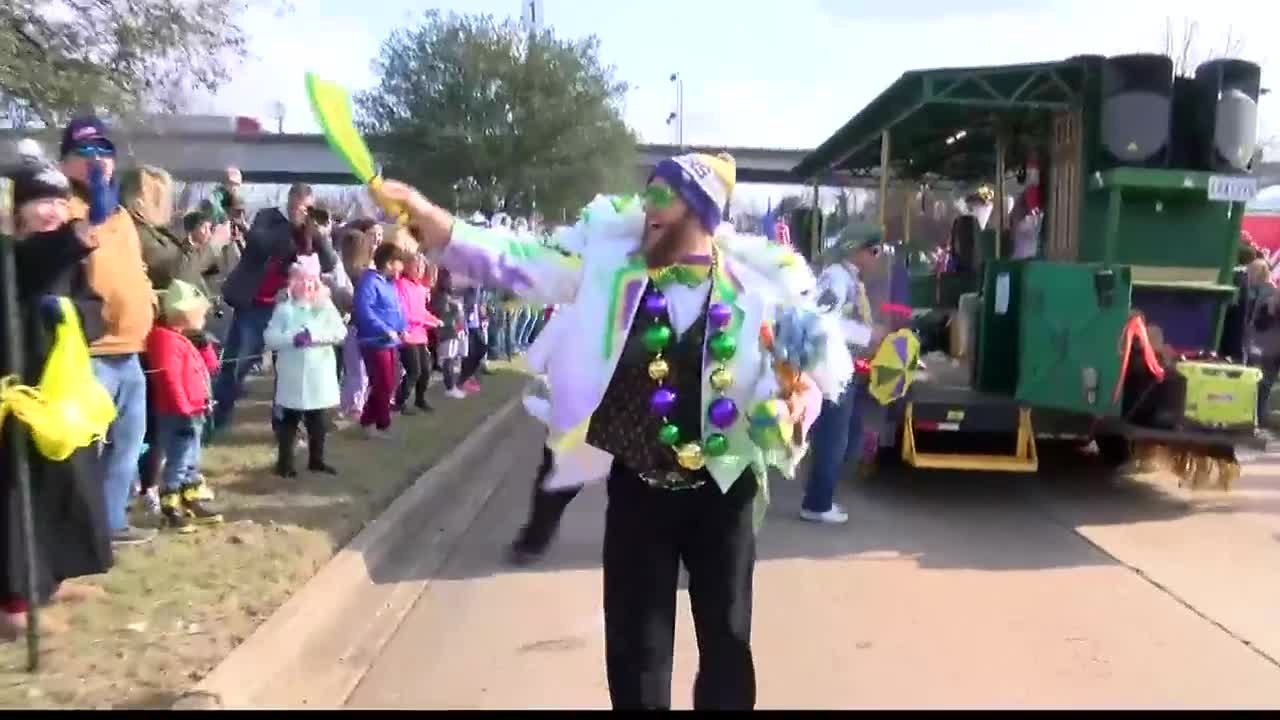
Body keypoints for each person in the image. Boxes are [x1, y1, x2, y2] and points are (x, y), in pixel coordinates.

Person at [373, 151, 852, 710]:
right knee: (635, 654)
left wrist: (799, 407)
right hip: (638, 489)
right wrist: (433, 220)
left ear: (700, 209)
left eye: (663, 196)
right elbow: (519, 261)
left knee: (726, 645)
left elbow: (809, 378)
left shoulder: (759, 293)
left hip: (725, 494)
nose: (647, 206)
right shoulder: (608, 272)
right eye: (647, 193)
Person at [1, 160, 113, 639]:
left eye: (60, 201)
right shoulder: (11, 253)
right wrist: (78, 231)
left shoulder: (66, 258)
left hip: (60, 392)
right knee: (16, 493)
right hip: (15, 393)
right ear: (18, 210)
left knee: (65, 485)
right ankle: (12, 602)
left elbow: (93, 308)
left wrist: (73, 314)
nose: (53, 211)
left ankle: (50, 579)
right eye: (42, 201)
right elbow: (37, 260)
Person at [59, 115, 157, 546]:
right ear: (65, 163)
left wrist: (149, 297)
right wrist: (91, 215)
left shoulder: (123, 215)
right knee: (85, 448)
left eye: (103, 152)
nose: (96, 161)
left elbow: (134, 268)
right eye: (84, 153)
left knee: (128, 444)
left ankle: (111, 523)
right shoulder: (65, 210)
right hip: (91, 353)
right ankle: (77, 530)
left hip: (131, 353)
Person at [213, 183, 338, 431]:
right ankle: (215, 420)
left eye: (308, 208)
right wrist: (294, 226)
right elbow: (260, 242)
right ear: (290, 202)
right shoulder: (268, 217)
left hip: (288, 309)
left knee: (289, 370)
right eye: (300, 207)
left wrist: (321, 236)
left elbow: (329, 263)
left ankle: (284, 428)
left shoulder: (310, 231)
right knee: (237, 364)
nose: (303, 212)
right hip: (254, 305)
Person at [804, 230, 884, 525]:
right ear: (858, 250)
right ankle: (816, 503)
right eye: (875, 250)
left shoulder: (849, 279)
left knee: (847, 437)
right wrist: (867, 335)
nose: (878, 258)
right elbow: (823, 319)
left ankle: (820, 496)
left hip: (845, 366)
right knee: (834, 439)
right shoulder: (836, 279)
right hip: (832, 369)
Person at [145, 280, 223, 531]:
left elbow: (212, 368)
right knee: (179, 457)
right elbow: (168, 377)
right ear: (183, 315)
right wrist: (182, 407)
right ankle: (171, 502)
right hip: (179, 411)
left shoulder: (185, 338)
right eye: (200, 315)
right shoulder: (164, 340)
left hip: (195, 408)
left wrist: (204, 345)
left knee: (191, 456)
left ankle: (190, 497)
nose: (203, 319)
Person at [263, 256, 347, 476]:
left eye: (311, 281)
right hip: (293, 375)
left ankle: (316, 460)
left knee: (318, 421)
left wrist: (315, 336)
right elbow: (270, 337)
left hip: (319, 376)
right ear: (293, 284)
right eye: (302, 280)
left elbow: (340, 332)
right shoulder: (284, 310)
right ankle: (285, 464)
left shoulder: (326, 307)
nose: (307, 285)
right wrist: (292, 338)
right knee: (289, 422)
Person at [353, 243, 406, 439]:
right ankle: (380, 424)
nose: (402, 267)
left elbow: (397, 311)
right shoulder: (369, 282)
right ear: (390, 263)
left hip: (389, 342)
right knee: (382, 383)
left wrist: (403, 329)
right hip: (374, 341)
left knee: (389, 383)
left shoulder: (389, 283)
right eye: (400, 262)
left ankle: (370, 420)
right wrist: (384, 330)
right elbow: (364, 310)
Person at [394, 253, 441, 414]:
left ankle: (420, 399)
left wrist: (435, 320)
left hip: (420, 335)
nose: (420, 270)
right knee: (414, 370)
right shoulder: (400, 284)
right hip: (407, 335)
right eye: (417, 266)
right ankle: (400, 401)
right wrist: (426, 321)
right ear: (407, 266)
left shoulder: (420, 288)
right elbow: (405, 313)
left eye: (422, 267)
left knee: (426, 370)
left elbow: (423, 311)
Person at [431, 268, 468, 400]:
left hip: (453, 332)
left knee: (451, 359)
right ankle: (450, 387)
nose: (452, 282)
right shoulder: (440, 296)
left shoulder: (448, 295)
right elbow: (441, 316)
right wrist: (454, 310)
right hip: (446, 332)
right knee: (448, 360)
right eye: (449, 279)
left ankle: (452, 386)